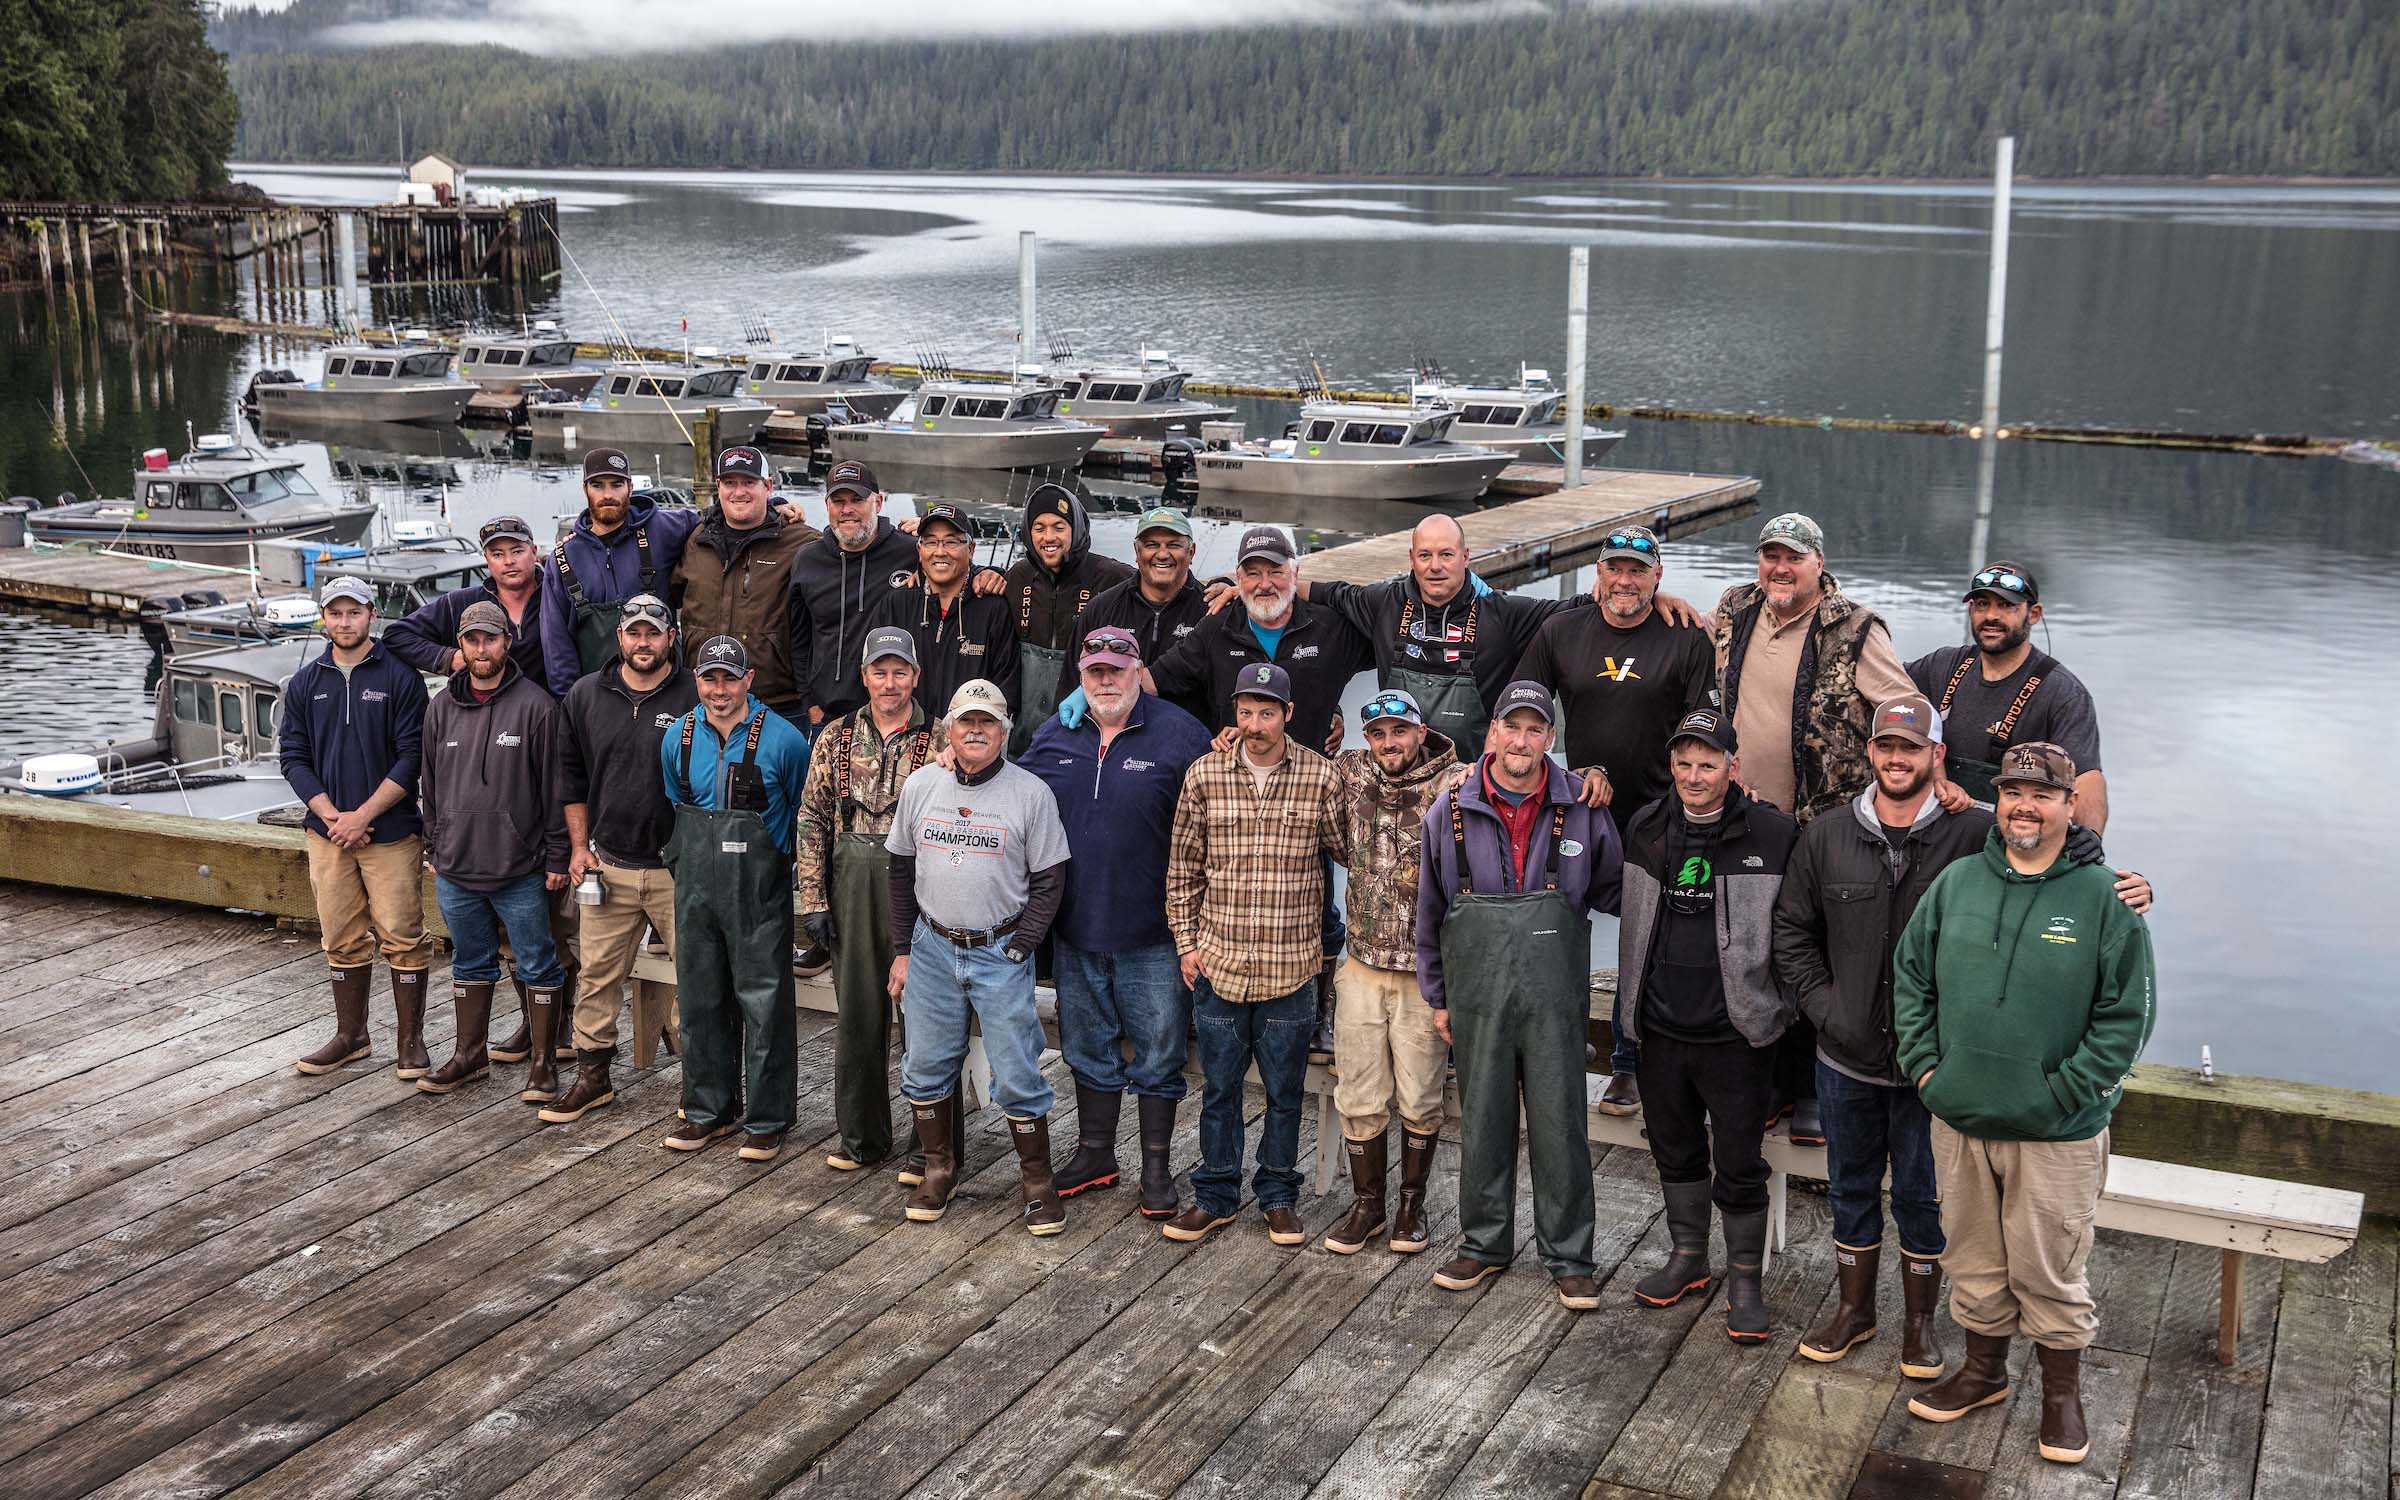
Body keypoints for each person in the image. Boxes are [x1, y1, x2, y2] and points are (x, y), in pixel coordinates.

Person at [1774, 696, 2156, 1376]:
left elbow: (2055, 850)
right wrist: (1825, 1008)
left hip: (1938, 1080)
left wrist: (2122, 878)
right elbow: (1794, 933)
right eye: (1887, 745)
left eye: (1913, 748)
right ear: (1869, 751)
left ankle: (1920, 1327)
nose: (1898, 758)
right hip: (1848, 1056)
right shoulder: (1826, 834)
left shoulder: (1966, 832)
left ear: (1937, 757)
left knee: (1927, 1198)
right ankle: (1855, 1312)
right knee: (1849, 1187)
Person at [1894, 742, 2155, 1467]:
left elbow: (2127, 1017)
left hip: (2058, 1131)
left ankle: (2061, 1397)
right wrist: (1926, 1072)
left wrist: (2063, 1093)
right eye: (2012, 792)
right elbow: (1911, 980)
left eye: (2042, 795)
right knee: (1973, 1258)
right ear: (1997, 800)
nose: (2024, 806)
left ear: (2072, 807)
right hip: (1961, 1116)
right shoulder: (1955, 884)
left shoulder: (2109, 898)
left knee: (2050, 1268)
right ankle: (1982, 1371)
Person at [1706, 512, 1916, 1146]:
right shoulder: (1735, 606)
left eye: (1793, 557)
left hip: (1823, 822)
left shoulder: (1855, 628)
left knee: (1814, 951)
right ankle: (1764, 1086)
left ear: (1818, 563)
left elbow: (1904, 708)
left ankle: (1809, 1093)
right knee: (1748, 948)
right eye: (1770, 555)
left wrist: (1924, 777)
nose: (1780, 568)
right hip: (1743, 817)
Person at [1416, 683, 1624, 1310]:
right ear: (1493, 733)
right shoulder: (1448, 808)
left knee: (1561, 1125)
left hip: (1554, 997)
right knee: (1482, 1118)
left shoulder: (1584, 806)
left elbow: (1619, 889)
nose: (1522, 741)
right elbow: (1430, 913)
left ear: (1550, 739)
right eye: (1513, 727)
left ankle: (1569, 1256)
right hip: (1475, 996)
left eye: (1536, 729)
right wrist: (1437, 995)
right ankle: (1483, 1244)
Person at [1514, 522, 1719, 1120]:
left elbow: (1702, 733)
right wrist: (1562, 779)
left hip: (1659, 815)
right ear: (1598, 573)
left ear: (1659, 577)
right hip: (1582, 808)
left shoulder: (1685, 638)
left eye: (1639, 569)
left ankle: (1628, 1067)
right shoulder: (1562, 631)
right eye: (1615, 568)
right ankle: (1553, 1048)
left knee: (1644, 938)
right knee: (1557, 927)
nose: (1625, 579)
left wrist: (1692, 802)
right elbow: (1521, 714)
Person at [1612, 707, 1798, 1340]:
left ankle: (1745, 1279)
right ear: (1672, 765)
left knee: (1740, 1162)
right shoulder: (1646, 825)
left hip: (1738, 1034)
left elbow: (1799, 931)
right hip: (1660, 1026)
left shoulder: (1774, 834)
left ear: (1733, 766)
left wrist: (1782, 1006)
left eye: (1708, 763)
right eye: (1684, 763)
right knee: (1675, 1149)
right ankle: (1689, 1257)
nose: (1695, 775)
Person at [1022, 628, 1212, 1217]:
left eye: (1117, 670)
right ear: (1081, 673)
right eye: (1096, 670)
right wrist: (955, 754)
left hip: (1155, 932)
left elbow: (1216, 816)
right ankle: (1097, 1152)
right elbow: (1011, 792)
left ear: (1137, 672)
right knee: (1086, 1045)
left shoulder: (1180, 732)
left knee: (1159, 1053)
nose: (1106, 681)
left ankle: (1156, 1166)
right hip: (1077, 928)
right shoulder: (1055, 733)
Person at [1161, 663, 1348, 1246]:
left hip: (1292, 966)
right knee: (1218, 1090)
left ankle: (1277, 1196)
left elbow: (1354, 852)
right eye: (1246, 712)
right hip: (1219, 964)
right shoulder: (1204, 775)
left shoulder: (1322, 777)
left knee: (1285, 1091)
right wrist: (1187, 945)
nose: (1256, 724)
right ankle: (1215, 1194)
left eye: (1268, 712)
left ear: (1289, 714)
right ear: (1234, 713)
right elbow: (1183, 870)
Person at [885, 680, 1073, 1235]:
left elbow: (1050, 881)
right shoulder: (921, 786)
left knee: (1017, 1070)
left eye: (986, 722)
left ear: (1004, 731)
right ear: (948, 728)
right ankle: (940, 1168)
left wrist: (1023, 944)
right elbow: (899, 870)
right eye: (965, 721)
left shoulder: (1030, 794)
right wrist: (902, 950)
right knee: (924, 1064)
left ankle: (1037, 1181)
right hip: (932, 947)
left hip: (999, 949)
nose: (975, 730)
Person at [543, 593, 697, 1124]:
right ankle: (594, 1076)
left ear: (670, 637)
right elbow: (570, 778)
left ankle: (701, 1084)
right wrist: (579, 848)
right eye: (634, 632)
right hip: (607, 864)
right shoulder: (585, 694)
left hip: (678, 869)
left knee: (698, 977)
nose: (643, 642)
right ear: (619, 638)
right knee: (596, 976)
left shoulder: (695, 694)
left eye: (654, 632)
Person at [657, 636, 812, 1162]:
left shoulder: (786, 741)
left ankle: (768, 1118)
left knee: (764, 1002)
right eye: (708, 679)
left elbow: (800, 812)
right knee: (699, 999)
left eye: (729, 678)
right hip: (694, 888)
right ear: (695, 681)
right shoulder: (675, 737)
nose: (718, 690)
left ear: (749, 680)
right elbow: (678, 805)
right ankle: (708, 1111)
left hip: (759, 888)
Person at [794, 627, 939, 1173]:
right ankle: (862, 1138)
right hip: (850, 877)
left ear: (915, 677)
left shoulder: (942, 736)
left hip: (920, 884)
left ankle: (930, 1148)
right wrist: (814, 898)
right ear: (864, 676)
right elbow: (810, 818)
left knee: (924, 1019)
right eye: (880, 671)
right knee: (858, 1014)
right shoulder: (835, 736)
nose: (890, 682)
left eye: (900, 671)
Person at [279, 575, 434, 1080]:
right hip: (327, 834)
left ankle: (411, 1042)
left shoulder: (401, 678)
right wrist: (331, 817)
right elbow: (294, 758)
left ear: (372, 615)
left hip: (390, 832)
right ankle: (352, 1036)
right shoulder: (305, 683)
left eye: (354, 612)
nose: (344, 622)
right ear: (323, 618)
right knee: (340, 935)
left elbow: (412, 757)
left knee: (402, 934)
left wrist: (362, 816)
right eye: (335, 613)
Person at [414, 601, 571, 1098]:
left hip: (520, 869)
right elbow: (431, 785)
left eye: (491, 639)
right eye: (472, 640)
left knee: (538, 963)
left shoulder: (537, 706)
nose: (482, 649)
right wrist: (434, 846)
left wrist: (555, 857)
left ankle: (543, 1064)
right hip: (456, 869)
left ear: (508, 642)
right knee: (469, 962)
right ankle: (469, 1057)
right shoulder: (439, 707)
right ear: (460, 646)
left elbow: (555, 790)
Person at [1321, 689, 1459, 1256]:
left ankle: (1412, 1206)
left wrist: (1592, 774)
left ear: (1420, 732)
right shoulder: (1350, 771)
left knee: (1421, 1096)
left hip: (1425, 972)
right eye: (1377, 733)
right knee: (1357, 1092)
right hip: (1360, 964)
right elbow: (1302, 766)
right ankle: (1369, 1205)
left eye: (1399, 732)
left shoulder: (1458, 782)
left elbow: (1526, 769)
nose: (1388, 743)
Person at [1304, 513, 1586, 756]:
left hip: (1469, 780)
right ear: (1412, 559)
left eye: (1446, 555)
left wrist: (1606, 590)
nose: (1435, 566)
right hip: (1402, 779)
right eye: (1425, 555)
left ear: (1465, 557)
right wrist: (1278, 582)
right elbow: (1326, 594)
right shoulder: (1384, 603)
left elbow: (1573, 611)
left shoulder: (1502, 613)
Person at [788, 459, 1005, 727]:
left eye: (857, 499)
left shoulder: (907, 549)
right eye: (838, 501)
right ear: (827, 506)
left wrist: (990, 572)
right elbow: (798, 639)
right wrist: (809, 701)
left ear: (877, 503)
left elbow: (951, 562)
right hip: (825, 713)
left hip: (891, 710)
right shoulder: (807, 559)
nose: (847, 510)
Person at [1907, 562, 2108, 829]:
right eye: (1982, 604)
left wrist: (2089, 839)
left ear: (2034, 614)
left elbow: (2085, 776)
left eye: (2006, 606)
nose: (1991, 616)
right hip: (1937, 833)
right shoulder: (1942, 665)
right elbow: (1885, 688)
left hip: (2012, 843)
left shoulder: (2062, 693)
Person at [1147, 524, 1370, 756]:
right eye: (1253, 573)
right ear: (1239, 578)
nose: (1264, 585)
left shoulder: (1331, 627)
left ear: (1295, 574)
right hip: (1234, 781)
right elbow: (1152, 681)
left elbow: (1389, 635)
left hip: (1310, 782)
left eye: (1276, 572)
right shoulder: (1215, 628)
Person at [671, 444, 820, 726]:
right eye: (730, 483)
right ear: (718, 486)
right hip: (704, 700)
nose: (739, 492)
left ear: (768, 486)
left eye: (749, 482)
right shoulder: (695, 539)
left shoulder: (802, 542)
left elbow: (856, 546)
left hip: (778, 705)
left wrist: (918, 537)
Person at [538, 447, 703, 697]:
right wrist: (570, 705)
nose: (607, 494)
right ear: (585, 490)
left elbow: (723, 519)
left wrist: (774, 507)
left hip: (666, 694)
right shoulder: (563, 558)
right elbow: (556, 645)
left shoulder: (663, 528)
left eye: (616, 485)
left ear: (630, 488)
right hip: (598, 699)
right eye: (598, 485)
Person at [1002, 482, 1133, 753]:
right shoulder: (1018, 576)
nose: (1048, 537)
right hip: (1022, 732)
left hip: (1085, 730)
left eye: (1059, 527)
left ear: (1077, 530)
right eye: (1039, 528)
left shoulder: (1111, 575)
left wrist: (1222, 587)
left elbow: (1160, 585)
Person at [866, 502, 1021, 721]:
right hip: (907, 737)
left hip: (969, 741)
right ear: (920, 551)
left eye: (951, 542)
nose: (940, 552)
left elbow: (1007, 688)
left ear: (971, 549)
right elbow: (874, 675)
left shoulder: (994, 608)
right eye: (931, 542)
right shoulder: (896, 603)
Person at [1066, 505, 1213, 725]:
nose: (1162, 554)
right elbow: (1071, 680)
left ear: (1191, 552)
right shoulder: (1102, 608)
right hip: (1113, 742)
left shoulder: (1211, 611)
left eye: (1173, 545)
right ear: (1136, 552)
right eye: (1152, 545)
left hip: (1189, 744)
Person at [384, 513, 552, 684]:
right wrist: (449, 659)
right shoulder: (461, 603)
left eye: (517, 551)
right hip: (483, 707)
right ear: (487, 559)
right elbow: (396, 636)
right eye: (497, 554)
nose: (509, 561)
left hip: (549, 707)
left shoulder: (557, 596)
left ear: (534, 552)